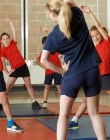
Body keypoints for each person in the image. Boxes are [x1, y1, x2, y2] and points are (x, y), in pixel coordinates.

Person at [41, 0, 106, 139]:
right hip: (92, 71)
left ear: (53, 14)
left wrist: (62, 71)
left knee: (64, 115)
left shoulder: (53, 36)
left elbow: (43, 60)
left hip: (73, 74)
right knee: (94, 113)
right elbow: (70, 2)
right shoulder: (77, 15)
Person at [69, 5, 110, 129]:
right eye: (93, 36)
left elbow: (98, 25)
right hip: (96, 75)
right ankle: (75, 120)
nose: (96, 37)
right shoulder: (94, 48)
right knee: (87, 100)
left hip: (107, 75)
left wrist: (90, 13)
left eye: (97, 34)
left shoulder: (107, 42)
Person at [0, 17, 41, 111]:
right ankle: (0, 102)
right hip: (14, 69)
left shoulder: (13, 43)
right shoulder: (2, 50)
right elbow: (2, 63)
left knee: (28, 84)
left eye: (7, 38)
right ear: (1, 41)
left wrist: (10, 22)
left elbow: (14, 32)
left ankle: (34, 101)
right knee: (8, 86)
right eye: (4, 39)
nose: (6, 40)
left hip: (23, 66)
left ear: (9, 39)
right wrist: (7, 72)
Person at [36, 34, 62, 108]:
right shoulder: (43, 52)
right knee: (47, 86)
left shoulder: (55, 49)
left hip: (57, 70)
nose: (46, 45)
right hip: (49, 72)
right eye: (44, 44)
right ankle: (45, 101)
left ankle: (63, 102)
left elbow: (54, 38)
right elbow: (37, 61)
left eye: (47, 43)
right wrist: (44, 67)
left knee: (59, 86)